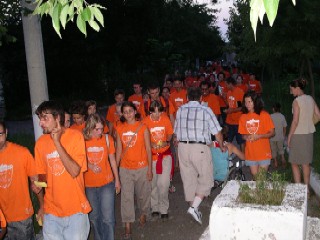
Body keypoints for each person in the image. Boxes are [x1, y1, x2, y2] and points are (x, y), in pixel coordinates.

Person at [35, 100, 91, 240]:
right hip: (51, 212)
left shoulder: (75, 137)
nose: (41, 123)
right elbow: (41, 179)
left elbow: (74, 171)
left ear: (57, 118)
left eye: (45, 118)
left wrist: (57, 143)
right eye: (40, 119)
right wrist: (41, 205)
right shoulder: (40, 143)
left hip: (76, 211)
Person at [174, 87, 225, 225]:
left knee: (188, 178)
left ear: (187, 98)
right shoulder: (206, 110)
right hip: (200, 147)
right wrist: (221, 145)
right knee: (207, 179)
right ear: (201, 98)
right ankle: (194, 207)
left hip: (183, 148)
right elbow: (217, 132)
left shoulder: (180, 110)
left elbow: (176, 133)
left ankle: (193, 207)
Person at [115, 101, 152, 239]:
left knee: (143, 194)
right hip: (125, 168)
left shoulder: (143, 127)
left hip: (142, 167)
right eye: (125, 112)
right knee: (126, 197)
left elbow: (149, 149)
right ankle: (128, 225)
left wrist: (150, 169)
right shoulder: (119, 128)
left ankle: (143, 212)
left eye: (130, 111)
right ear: (122, 114)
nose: (128, 114)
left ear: (135, 111)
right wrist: (116, 172)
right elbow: (119, 150)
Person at [0, 121, 42, 240]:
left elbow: (36, 181)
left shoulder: (22, 153)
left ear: (6, 133)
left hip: (21, 217)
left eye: (0, 134)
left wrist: (42, 206)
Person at [83, 114, 121, 240]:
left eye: (101, 129)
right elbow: (77, 159)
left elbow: (113, 160)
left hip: (106, 183)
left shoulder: (107, 139)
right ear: (89, 128)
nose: (100, 132)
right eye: (97, 129)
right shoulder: (82, 140)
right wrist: (90, 165)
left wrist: (117, 180)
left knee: (108, 218)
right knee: (94, 217)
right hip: (88, 185)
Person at [288, 78, 320, 195]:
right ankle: (306, 188)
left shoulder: (296, 101)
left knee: (294, 162)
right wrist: (309, 123)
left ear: (297, 88)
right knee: (306, 163)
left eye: (292, 89)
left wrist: (290, 136)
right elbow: (318, 115)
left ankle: (298, 188)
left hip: (298, 135)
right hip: (309, 134)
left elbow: (295, 121)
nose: (291, 92)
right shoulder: (310, 98)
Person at [143, 101, 174, 220]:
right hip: (151, 157)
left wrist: (166, 141)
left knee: (164, 183)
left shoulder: (165, 119)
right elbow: (142, 138)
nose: (157, 115)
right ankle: (154, 207)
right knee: (153, 183)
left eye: (159, 111)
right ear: (150, 111)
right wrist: (150, 143)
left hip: (165, 155)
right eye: (154, 112)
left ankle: (164, 208)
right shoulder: (145, 121)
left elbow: (170, 133)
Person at [238, 91, 275, 178]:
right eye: (245, 102)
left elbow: (272, 133)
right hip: (251, 153)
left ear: (255, 102)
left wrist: (259, 136)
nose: (247, 104)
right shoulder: (243, 117)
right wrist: (246, 136)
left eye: (249, 102)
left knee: (261, 179)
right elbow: (242, 135)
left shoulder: (264, 115)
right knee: (255, 178)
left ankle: (263, 191)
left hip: (263, 152)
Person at [224, 77, 245, 152]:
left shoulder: (239, 92)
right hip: (229, 121)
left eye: (226, 84)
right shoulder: (229, 93)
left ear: (230, 84)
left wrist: (232, 111)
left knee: (241, 141)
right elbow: (229, 105)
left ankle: (243, 159)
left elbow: (241, 107)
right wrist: (224, 98)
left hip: (238, 121)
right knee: (227, 140)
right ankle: (227, 156)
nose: (225, 86)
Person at [270, 102, 287, 168]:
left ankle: (276, 162)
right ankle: (283, 159)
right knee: (281, 149)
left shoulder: (270, 116)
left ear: (273, 109)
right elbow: (284, 127)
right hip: (280, 137)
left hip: (272, 137)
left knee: (273, 150)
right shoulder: (282, 116)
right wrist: (283, 135)